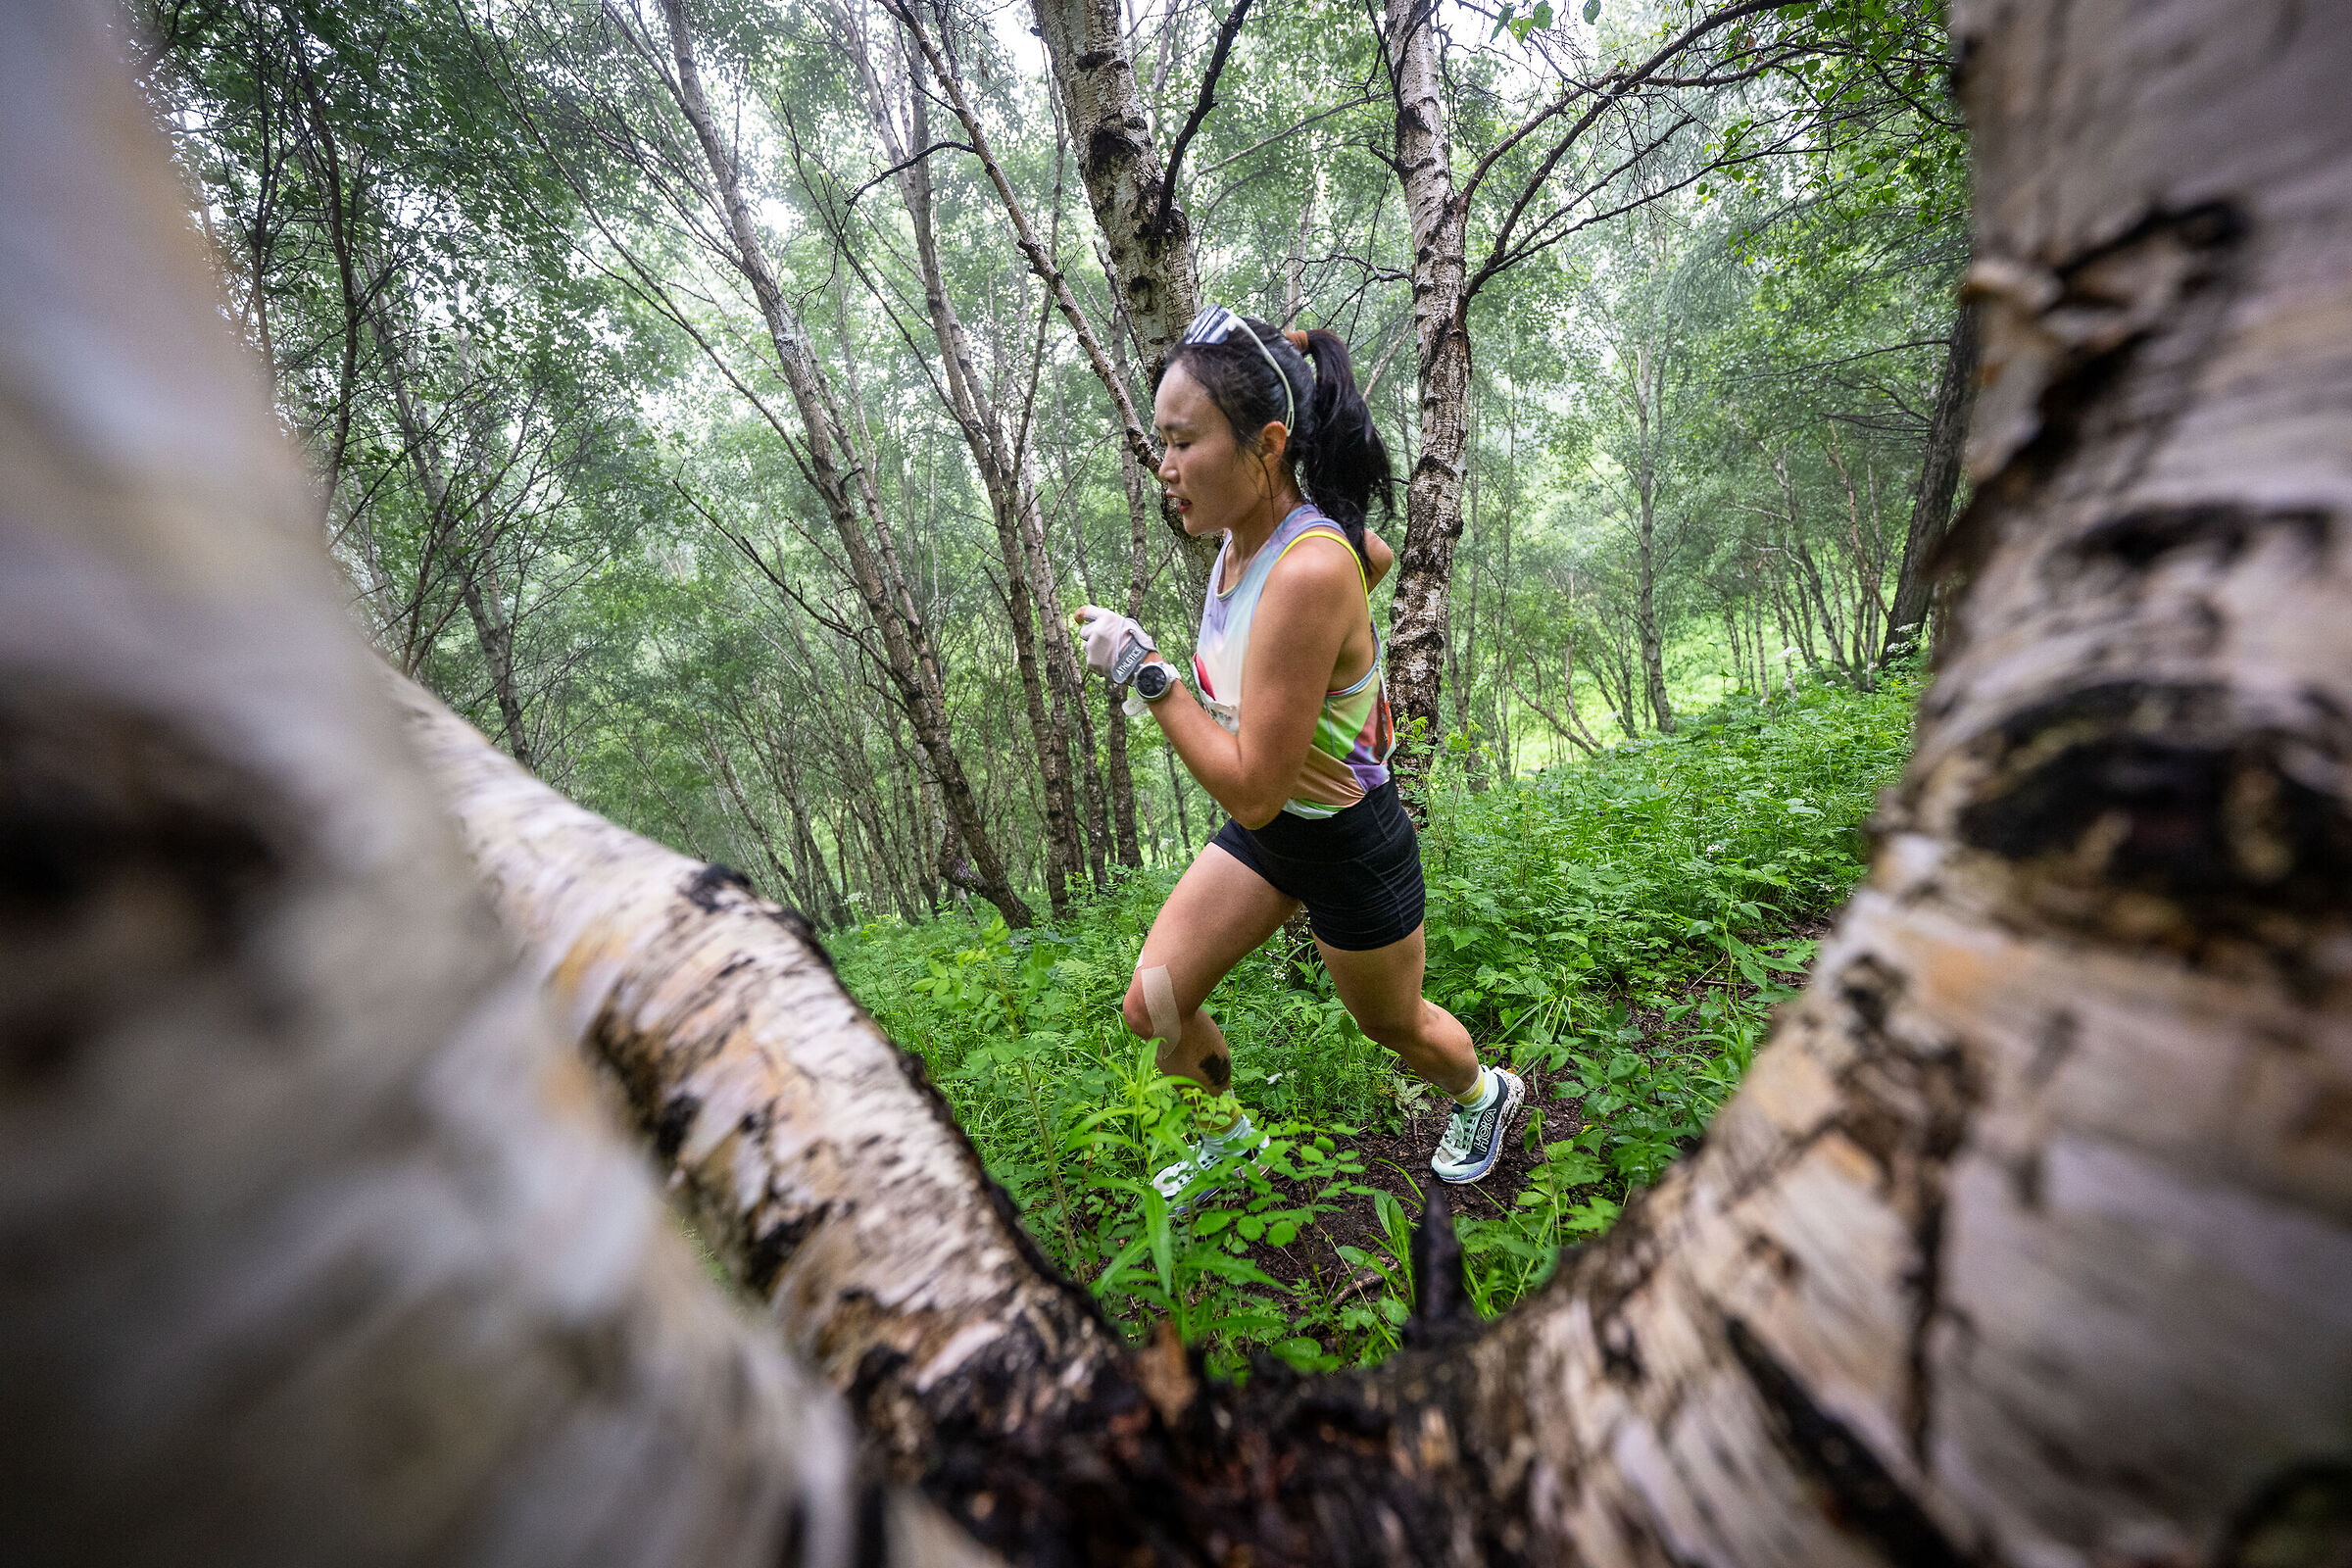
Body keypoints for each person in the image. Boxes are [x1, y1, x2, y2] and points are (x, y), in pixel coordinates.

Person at [1074, 305, 1524, 1209]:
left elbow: (1248, 785)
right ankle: (1226, 1135)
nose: (1164, 468)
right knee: (1153, 1004)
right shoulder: (1246, 538)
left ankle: (1487, 1095)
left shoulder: (1309, 567)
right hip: (1276, 836)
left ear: (1268, 443)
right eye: (1160, 441)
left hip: (1348, 842)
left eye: (1183, 441)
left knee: (1393, 1026)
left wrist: (1145, 671)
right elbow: (1377, 555)